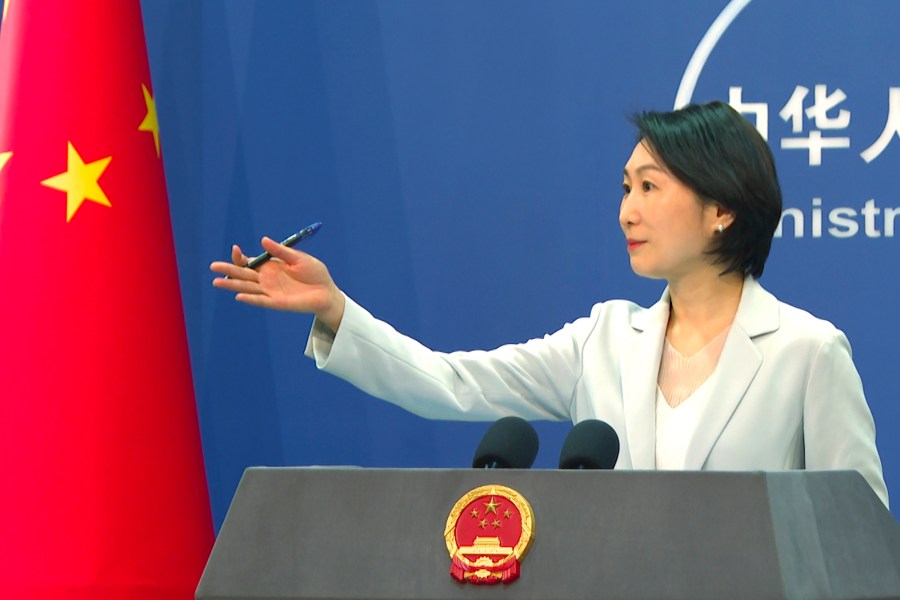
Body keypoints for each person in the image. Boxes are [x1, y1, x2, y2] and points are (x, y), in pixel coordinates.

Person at [210, 101, 888, 507]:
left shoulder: (807, 353)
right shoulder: (605, 341)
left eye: (651, 188)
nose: (628, 210)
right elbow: (450, 382)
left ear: (723, 210)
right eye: (625, 187)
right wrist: (335, 309)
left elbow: (856, 539)